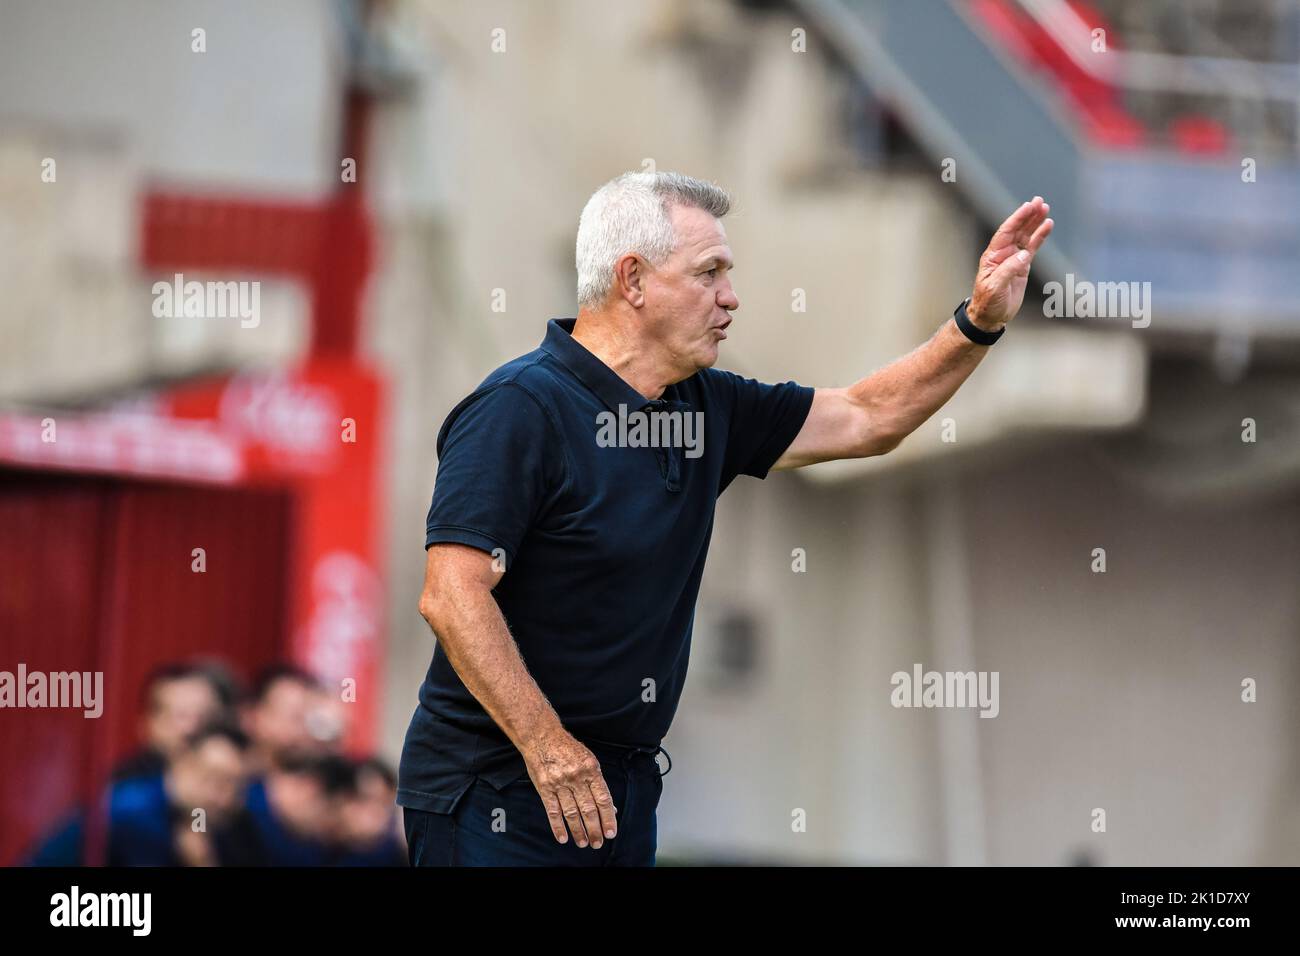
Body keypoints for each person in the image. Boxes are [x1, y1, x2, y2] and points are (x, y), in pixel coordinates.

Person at [398, 170, 1052, 866]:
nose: (730, 297)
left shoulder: (707, 406)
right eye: (709, 273)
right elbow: (452, 594)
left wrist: (977, 323)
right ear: (634, 280)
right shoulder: (519, 409)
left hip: (618, 790)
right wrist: (547, 746)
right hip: (498, 789)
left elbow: (869, 417)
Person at [110, 662, 229, 783]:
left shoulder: (235, 779)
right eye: (181, 716)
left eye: (204, 716)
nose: (192, 728)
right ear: (149, 723)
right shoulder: (131, 784)